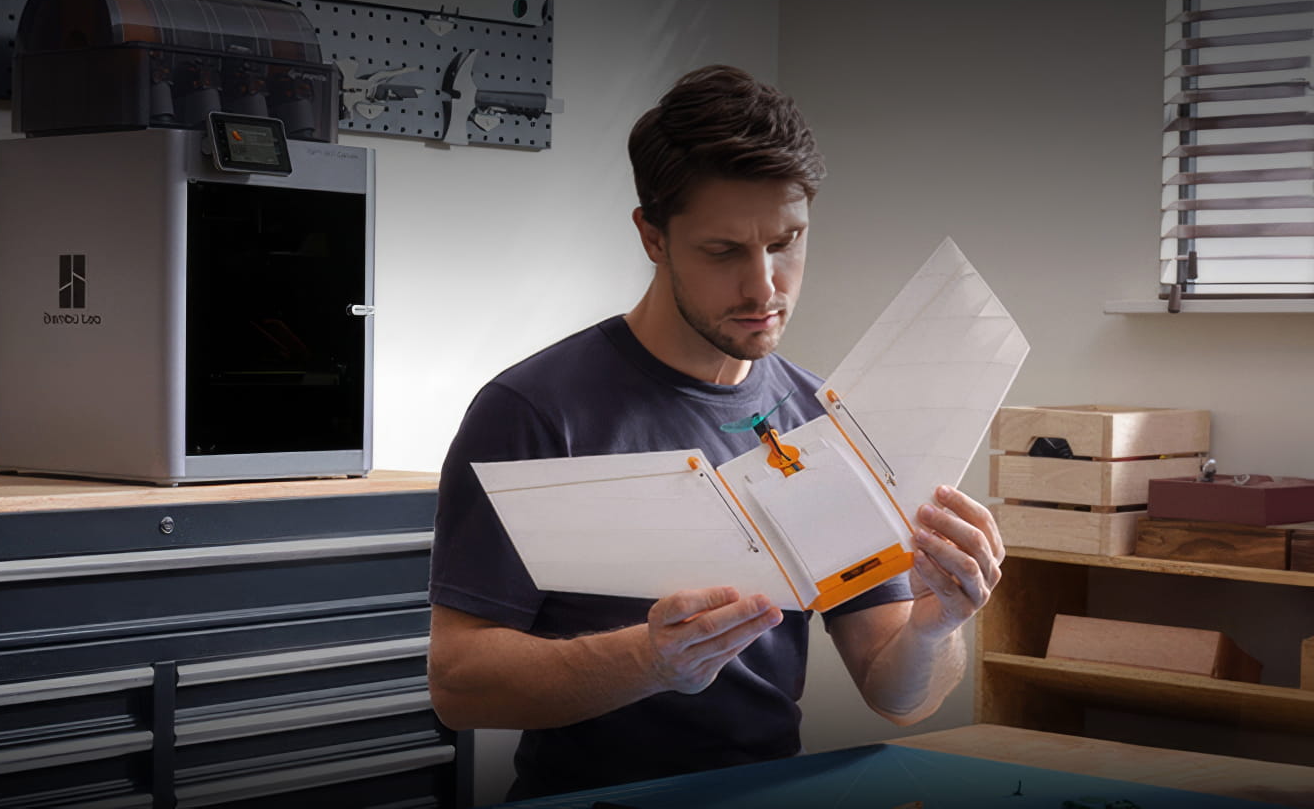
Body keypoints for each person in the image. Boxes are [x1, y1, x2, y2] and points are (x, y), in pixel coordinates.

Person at [427, 65, 1004, 800]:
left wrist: (935, 625)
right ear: (652, 236)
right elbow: (458, 685)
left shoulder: (819, 417)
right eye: (723, 251)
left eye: (787, 242)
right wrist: (650, 660)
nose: (764, 287)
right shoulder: (533, 410)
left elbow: (896, 693)